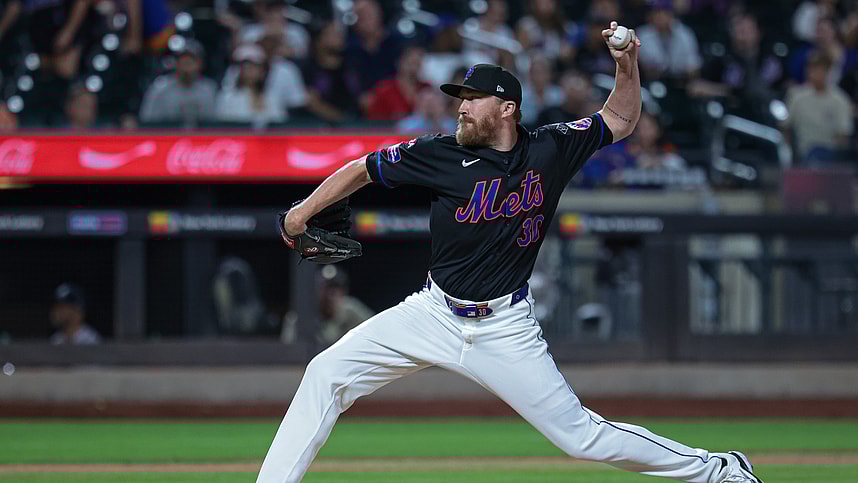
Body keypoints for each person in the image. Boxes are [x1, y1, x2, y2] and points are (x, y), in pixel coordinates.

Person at [259, 22, 764, 483]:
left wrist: (626, 62)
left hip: (504, 327)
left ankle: (718, 470)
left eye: (473, 98)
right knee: (326, 373)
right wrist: (300, 213)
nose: (461, 106)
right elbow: (363, 168)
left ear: (507, 109)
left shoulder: (550, 148)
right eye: (460, 97)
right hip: (432, 313)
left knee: (579, 437)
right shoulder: (439, 154)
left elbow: (621, 119)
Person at [784, 52, 854, 162]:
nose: (816, 73)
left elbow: (843, 136)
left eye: (821, 69)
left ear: (828, 72)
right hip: (802, 155)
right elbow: (786, 127)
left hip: (831, 157)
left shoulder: (840, 100)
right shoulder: (796, 96)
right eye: (812, 69)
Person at [139, 39, 216, 126]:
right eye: (183, 59)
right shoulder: (160, 88)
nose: (187, 64)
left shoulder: (209, 89)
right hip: (166, 137)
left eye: (191, 60)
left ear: (200, 64)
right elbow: (147, 124)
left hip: (202, 138)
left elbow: (218, 126)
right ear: (175, 63)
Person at [215, 43, 284, 127]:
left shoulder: (272, 97)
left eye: (256, 66)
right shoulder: (227, 98)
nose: (251, 70)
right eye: (246, 66)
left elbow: (279, 126)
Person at [636, 0, 703, 81]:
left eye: (664, 12)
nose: (660, 16)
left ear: (671, 15)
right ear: (650, 15)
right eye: (656, 13)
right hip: (654, 82)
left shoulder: (685, 33)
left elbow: (694, 66)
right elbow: (647, 69)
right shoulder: (642, 34)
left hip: (682, 81)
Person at [363, 45, 429, 121]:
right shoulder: (384, 89)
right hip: (389, 131)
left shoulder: (427, 88)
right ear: (399, 63)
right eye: (411, 63)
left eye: (417, 64)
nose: (413, 68)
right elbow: (374, 121)